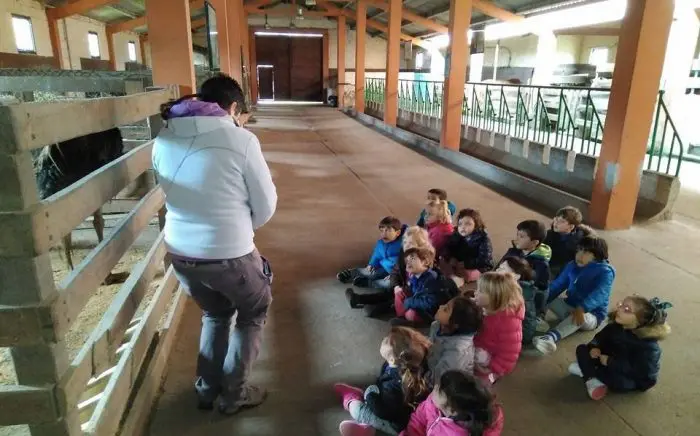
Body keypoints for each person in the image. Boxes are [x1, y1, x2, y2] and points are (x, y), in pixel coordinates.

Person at [152, 74, 277, 414]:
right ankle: (233, 395)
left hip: (180, 252)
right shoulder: (241, 140)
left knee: (216, 313)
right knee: (253, 312)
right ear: (233, 108)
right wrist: (237, 228)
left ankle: (207, 389)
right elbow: (266, 204)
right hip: (230, 253)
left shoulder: (164, 136)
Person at [569, 296, 672, 400]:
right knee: (582, 349)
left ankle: (588, 374)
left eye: (627, 310)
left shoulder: (648, 347)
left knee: (618, 382)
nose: (619, 309)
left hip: (631, 376)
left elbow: (642, 373)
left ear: (639, 321)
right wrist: (594, 347)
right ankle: (591, 375)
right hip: (608, 358)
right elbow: (599, 338)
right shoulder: (615, 326)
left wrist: (610, 362)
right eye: (621, 305)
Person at [335, 327, 432, 436]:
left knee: (358, 410)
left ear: (393, 359)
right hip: (406, 414)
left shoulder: (393, 384)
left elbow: (384, 412)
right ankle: (370, 430)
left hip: (398, 425)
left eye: (387, 340)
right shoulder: (417, 364)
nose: (384, 339)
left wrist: (370, 396)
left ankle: (352, 399)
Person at [533, 236, 615, 356]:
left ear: (598, 255)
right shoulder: (572, 265)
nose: (579, 255)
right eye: (579, 250)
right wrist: (542, 298)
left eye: (586, 252)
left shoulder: (605, 272)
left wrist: (583, 308)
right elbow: (558, 285)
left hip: (591, 315)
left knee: (579, 317)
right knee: (546, 295)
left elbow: (600, 294)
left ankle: (550, 338)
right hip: (570, 306)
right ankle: (539, 318)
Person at [345, 226, 433, 317]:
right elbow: (395, 271)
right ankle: (357, 299)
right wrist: (395, 285)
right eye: (405, 242)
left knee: (393, 300)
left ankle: (376, 309)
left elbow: (423, 285)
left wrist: (403, 290)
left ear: (420, 244)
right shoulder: (404, 254)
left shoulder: (423, 260)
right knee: (386, 294)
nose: (406, 245)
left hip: (413, 293)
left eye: (410, 243)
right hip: (402, 286)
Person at [401, 370, 505, 436]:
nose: (435, 387)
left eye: (439, 390)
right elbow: (420, 418)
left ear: (452, 410)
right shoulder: (434, 402)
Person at [473, 272, 525, 384]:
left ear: (495, 297)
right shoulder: (488, 307)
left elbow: (510, 354)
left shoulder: (508, 322)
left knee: (478, 384)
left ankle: (492, 375)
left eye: (480, 291)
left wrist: (492, 368)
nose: (475, 293)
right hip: (480, 345)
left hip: (491, 357)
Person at [393, 247, 459, 327]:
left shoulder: (432, 279)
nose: (408, 262)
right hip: (418, 301)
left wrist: (409, 302)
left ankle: (410, 322)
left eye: (412, 259)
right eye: (407, 261)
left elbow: (430, 302)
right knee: (399, 292)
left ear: (425, 262)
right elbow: (415, 292)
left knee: (411, 314)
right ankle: (402, 317)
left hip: (431, 312)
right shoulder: (415, 276)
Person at [338, 216, 407, 289]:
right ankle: (351, 273)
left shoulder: (405, 243)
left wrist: (396, 275)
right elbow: (377, 255)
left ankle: (370, 283)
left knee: (387, 284)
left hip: (397, 272)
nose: (384, 234)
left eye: (388, 230)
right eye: (382, 230)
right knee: (369, 271)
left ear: (398, 233)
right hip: (383, 267)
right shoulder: (381, 243)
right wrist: (372, 264)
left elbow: (405, 262)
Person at [428, 296, 483, 382]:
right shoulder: (436, 325)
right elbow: (430, 344)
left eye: (446, 309)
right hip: (433, 366)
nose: (440, 306)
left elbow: (444, 378)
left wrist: (425, 379)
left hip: (447, 384)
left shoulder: (458, 352)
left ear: (455, 324)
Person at [439, 208, 494, 288]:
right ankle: (453, 275)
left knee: (468, 274)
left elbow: (485, 260)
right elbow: (448, 247)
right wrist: (450, 257)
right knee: (442, 260)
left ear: (476, 226)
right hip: (460, 260)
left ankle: (458, 278)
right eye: (460, 224)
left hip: (476, 266)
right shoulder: (456, 234)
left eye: (468, 224)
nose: (463, 227)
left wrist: (466, 264)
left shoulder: (483, 239)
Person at [497, 219, 552, 298]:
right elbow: (498, 267)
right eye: (517, 235)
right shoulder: (512, 251)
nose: (517, 238)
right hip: (499, 287)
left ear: (534, 242)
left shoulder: (541, 264)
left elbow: (540, 290)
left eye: (522, 236)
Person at [543, 206, 594, 278]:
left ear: (571, 227)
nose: (556, 223)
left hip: (561, 272)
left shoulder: (579, 243)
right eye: (556, 219)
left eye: (562, 221)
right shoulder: (549, 234)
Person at [496, 257, 538, 346]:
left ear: (516, 276)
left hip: (521, 334)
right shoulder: (513, 285)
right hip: (517, 328)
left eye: (502, 269)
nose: (497, 270)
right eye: (499, 267)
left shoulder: (516, 293)